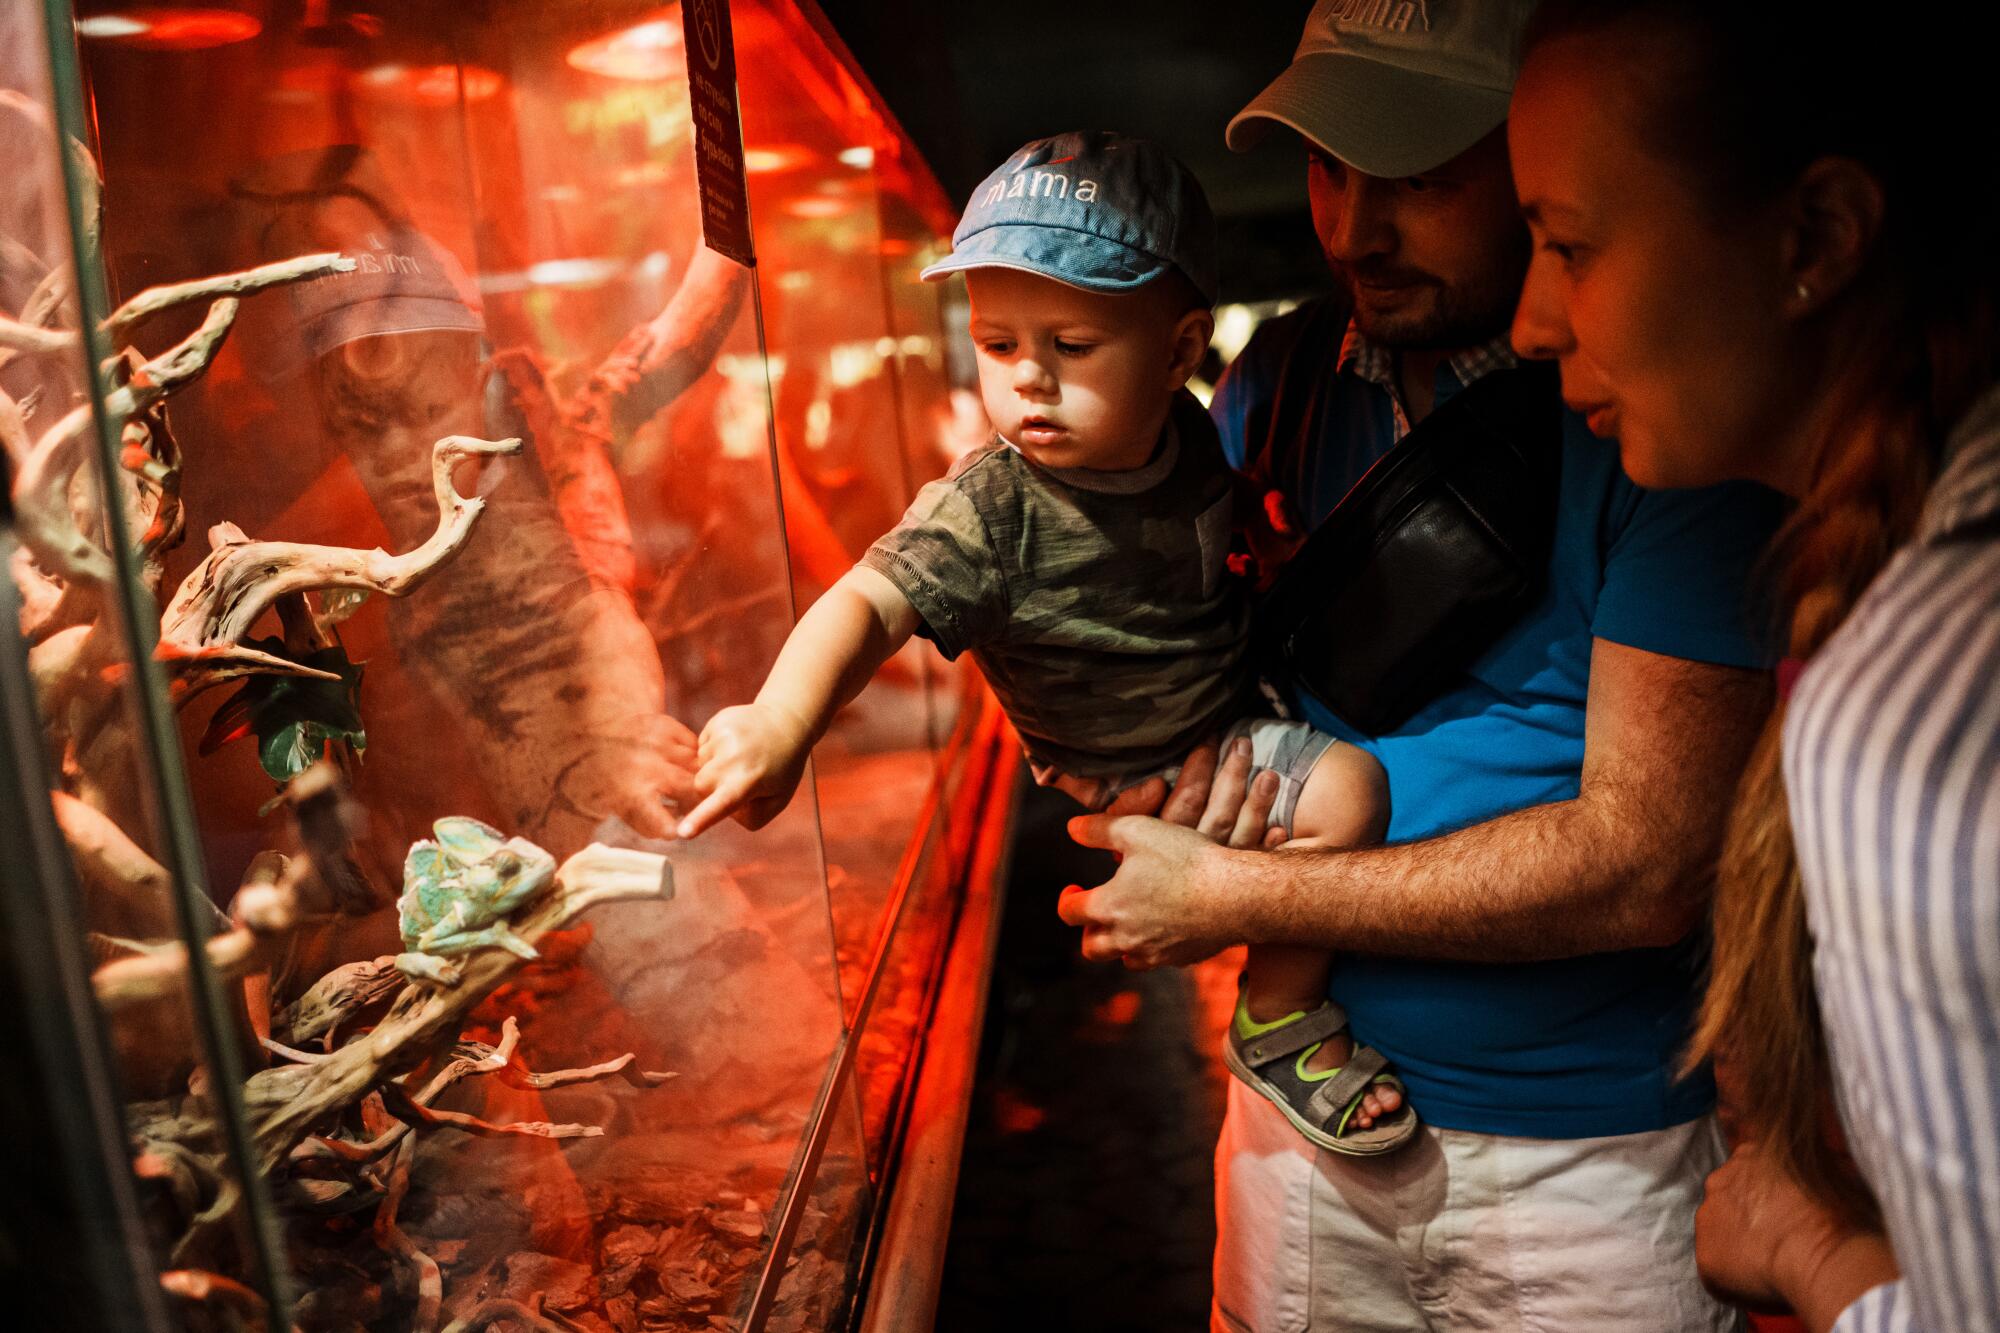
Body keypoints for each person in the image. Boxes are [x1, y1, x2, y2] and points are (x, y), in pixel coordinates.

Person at [1055, 3, 1787, 1328]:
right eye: (1332, 172)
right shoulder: (1278, 379)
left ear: (1540, 159)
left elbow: (1649, 863)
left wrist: (1231, 888)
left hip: (1587, 1164)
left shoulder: (1670, 409)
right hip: (1297, 1122)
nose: (1353, 231)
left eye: (1418, 180)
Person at [674, 131, 1417, 1153]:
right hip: (1124, 762)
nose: (1027, 380)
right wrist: (779, 718)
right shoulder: (993, 505)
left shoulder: (1190, 431)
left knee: (1347, 791)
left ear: (1176, 351)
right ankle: (1279, 1017)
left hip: (1225, 709)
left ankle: (1270, 996)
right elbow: (865, 599)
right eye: (998, 344)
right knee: (1351, 795)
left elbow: (1216, 529)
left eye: (1069, 347)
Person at [1508, 3, 2000, 1329]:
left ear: (1818, 238)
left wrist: (1809, 1257)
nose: (1530, 322)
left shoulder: (1912, 708)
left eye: (1568, 246)